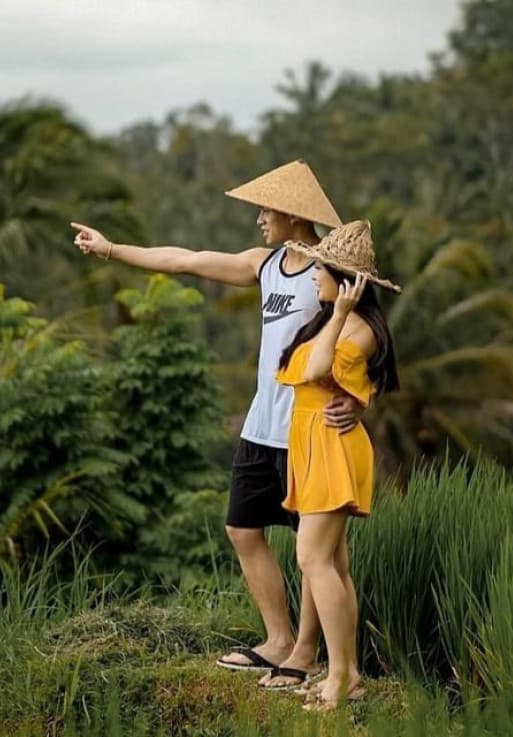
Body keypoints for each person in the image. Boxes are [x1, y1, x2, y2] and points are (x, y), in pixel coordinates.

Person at [70, 161, 363, 689]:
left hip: (307, 432)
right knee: (242, 528)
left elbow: (368, 334)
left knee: (315, 555)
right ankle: (277, 639)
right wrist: (112, 249)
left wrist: (359, 403)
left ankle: (307, 653)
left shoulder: (330, 271)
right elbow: (185, 260)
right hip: (261, 425)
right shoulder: (266, 265)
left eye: (266, 209)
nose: (258, 219)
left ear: (294, 214)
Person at [274, 220, 400, 710]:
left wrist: (341, 312)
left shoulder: (359, 330)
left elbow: (315, 370)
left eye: (319, 270)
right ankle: (341, 671)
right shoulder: (329, 318)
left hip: (331, 444)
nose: (311, 276)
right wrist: (334, 313)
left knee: (313, 560)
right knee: (334, 564)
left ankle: (343, 677)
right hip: (310, 442)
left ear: (343, 280)